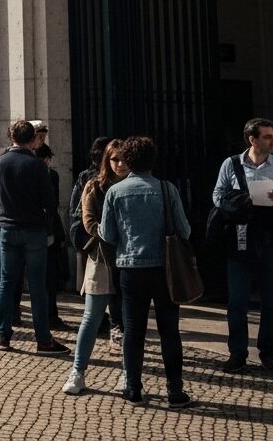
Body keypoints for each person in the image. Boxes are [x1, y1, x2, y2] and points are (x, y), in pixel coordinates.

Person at [99, 135, 191, 407]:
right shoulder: (167, 189)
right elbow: (184, 230)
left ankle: (133, 388)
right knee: (169, 331)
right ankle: (175, 390)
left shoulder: (115, 192)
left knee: (133, 330)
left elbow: (107, 233)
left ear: (127, 161)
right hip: (165, 269)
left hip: (130, 267)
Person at [212, 117, 273, 375]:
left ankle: (269, 353)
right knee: (238, 300)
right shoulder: (231, 165)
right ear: (252, 140)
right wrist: (240, 201)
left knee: (271, 301)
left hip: (271, 238)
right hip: (240, 237)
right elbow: (217, 196)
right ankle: (237, 353)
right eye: (267, 136)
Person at [0, 119, 68, 354]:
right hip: (33, 230)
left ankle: (2, 335)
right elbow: (50, 202)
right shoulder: (36, 165)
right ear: (32, 139)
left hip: (8, 228)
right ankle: (43, 339)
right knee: (37, 286)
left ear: (11, 137)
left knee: (7, 283)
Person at [63, 138, 129, 395]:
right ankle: (77, 372)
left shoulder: (136, 185)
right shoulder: (94, 186)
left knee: (127, 320)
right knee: (91, 318)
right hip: (101, 257)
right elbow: (87, 222)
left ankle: (128, 373)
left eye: (123, 159)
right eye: (114, 159)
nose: (120, 164)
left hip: (129, 259)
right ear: (107, 161)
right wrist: (112, 233)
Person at [36, 141, 69, 331]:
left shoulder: (52, 175)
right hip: (42, 232)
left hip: (48, 231)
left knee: (49, 276)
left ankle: (50, 315)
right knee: (46, 277)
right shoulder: (47, 175)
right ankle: (48, 316)